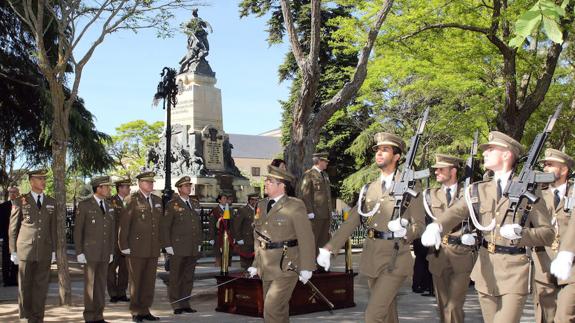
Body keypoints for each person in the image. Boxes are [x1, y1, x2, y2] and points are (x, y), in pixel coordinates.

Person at [421, 131, 554, 323]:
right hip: (485, 269)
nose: (484, 153)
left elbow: (548, 233)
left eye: (491, 149)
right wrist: (436, 226)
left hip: (514, 271)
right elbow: (457, 212)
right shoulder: (478, 189)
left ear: (507, 154)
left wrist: (521, 234)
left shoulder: (529, 190)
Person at [317, 132, 426, 322]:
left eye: (385, 150)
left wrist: (404, 231)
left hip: (395, 258)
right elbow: (352, 221)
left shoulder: (411, 187)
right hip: (372, 257)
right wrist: (329, 247)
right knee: (387, 312)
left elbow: (420, 226)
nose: (379, 153)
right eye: (377, 150)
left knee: (373, 315)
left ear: (397, 156)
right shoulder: (369, 188)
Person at [247, 165, 315, 323]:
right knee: (279, 310)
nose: (266, 183)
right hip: (266, 265)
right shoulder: (262, 205)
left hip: (287, 265)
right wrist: (256, 264)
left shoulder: (295, 205)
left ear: (282, 185)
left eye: (270, 181)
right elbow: (258, 237)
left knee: (271, 308)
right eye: (266, 180)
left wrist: (307, 267)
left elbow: (306, 237)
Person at [424, 154, 475, 322]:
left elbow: (482, 220)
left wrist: (475, 236)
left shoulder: (469, 192)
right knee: (443, 306)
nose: (436, 172)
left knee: (454, 305)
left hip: (462, 254)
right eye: (435, 169)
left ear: (453, 171)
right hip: (438, 255)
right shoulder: (430, 195)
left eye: (440, 169)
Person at [9, 169, 57, 323]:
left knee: (41, 288)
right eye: (39, 178)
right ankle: (24, 318)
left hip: (44, 250)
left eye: (44, 178)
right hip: (25, 251)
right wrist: (13, 251)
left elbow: (53, 228)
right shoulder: (20, 201)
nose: (43, 181)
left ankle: (38, 318)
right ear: (31, 181)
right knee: (25, 286)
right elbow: (13, 228)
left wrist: (54, 250)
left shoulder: (51, 202)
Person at [119, 171, 163, 322]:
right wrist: (124, 245)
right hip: (136, 248)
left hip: (152, 248)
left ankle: (145, 310)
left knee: (149, 282)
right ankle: (136, 311)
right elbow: (124, 225)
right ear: (139, 184)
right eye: (147, 182)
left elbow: (159, 225)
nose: (151, 184)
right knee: (136, 281)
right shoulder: (131, 199)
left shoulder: (157, 200)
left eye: (152, 182)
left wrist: (161, 244)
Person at [74, 176, 115, 323]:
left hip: (104, 253)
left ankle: (99, 316)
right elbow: (78, 231)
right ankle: (90, 317)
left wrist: (111, 251)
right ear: (98, 188)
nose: (109, 189)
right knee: (90, 286)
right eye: (107, 187)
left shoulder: (109, 205)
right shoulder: (85, 205)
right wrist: (79, 252)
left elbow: (111, 231)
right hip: (90, 253)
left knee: (100, 286)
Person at [541, 149, 575, 323]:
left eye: (550, 165)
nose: (545, 168)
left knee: (564, 317)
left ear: (564, 170)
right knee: (544, 318)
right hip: (543, 266)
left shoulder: (574, 194)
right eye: (544, 165)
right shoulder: (536, 195)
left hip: (572, 269)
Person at [161, 176, 203, 315]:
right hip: (177, 247)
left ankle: (185, 303)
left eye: (190, 186)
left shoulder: (195, 203)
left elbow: (198, 226)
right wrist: (167, 245)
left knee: (188, 277)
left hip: (192, 247)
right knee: (176, 277)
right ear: (179, 189)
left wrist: (198, 244)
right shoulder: (172, 204)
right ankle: (176, 305)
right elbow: (166, 227)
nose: (189, 188)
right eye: (186, 186)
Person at [299, 152, 333, 259]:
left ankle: (321, 265)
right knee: (313, 240)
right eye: (325, 161)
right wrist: (309, 212)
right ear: (318, 161)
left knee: (324, 240)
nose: (327, 163)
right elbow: (304, 194)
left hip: (325, 213)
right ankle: (311, 264)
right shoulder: (309, 174)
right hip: (315, 214)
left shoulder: (325, 175)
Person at [107, 177, 131, 303]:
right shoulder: (111, 201)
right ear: (120, 188)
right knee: (111, 269)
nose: (129, 189)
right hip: (114, 241)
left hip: (127, 241)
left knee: (124, 269)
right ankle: (113, 293)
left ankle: (122, 292)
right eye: (126, 187)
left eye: (129, 187)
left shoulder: (131, 202)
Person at [232, 193, 258, 269]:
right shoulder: (243, 210)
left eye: (257, 200)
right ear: (249, 200)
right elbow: (237, 225)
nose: (256, 202)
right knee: (246, 262)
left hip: (256, 239)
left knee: (255, 262)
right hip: (246, 240)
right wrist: (239, 238)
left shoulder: (258, 210)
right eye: (254, 200)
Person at [1, 186, 19, 286]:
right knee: (6, 259)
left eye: (14, 192)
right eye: (11, 192)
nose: (12, 194)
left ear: (18, 193)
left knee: (15, 259)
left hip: (18, 238)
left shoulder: (22, 205)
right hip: (7, 237)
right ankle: (6, 280)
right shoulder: (3, 206)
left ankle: (13, 279)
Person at [209, 193, 231, 267]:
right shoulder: (215, 210)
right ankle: (218, 272)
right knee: (218, 256)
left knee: (228, 256)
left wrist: (234, 236)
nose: (226, 200)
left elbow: (233, 224)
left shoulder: (229, 209)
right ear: (219, 200)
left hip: (228, 236)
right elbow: (211, 225)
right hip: (218, 236)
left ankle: (227, 273)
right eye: (224, 198)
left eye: (226, 199)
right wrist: (211, 238)